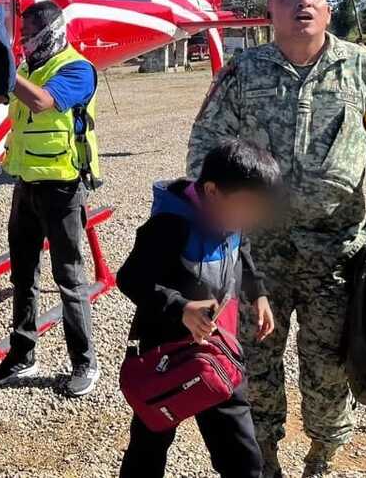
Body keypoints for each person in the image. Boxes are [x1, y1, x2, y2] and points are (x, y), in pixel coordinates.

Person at [186, 0, 366, 478]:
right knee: (256, 363)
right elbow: (205, 143)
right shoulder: (244, 72)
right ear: (270, 10)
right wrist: (218, 205)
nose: (303, 2)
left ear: (328, 6)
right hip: (257, 254)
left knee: (330, 366)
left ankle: (321, 461)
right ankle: (263, 459)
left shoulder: (364, 67)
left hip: (338, 252)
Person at [117, 138, 281, 478]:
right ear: (212, 192)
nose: (249, 219)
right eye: (246, 207)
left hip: (218, 352)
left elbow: (242, 251)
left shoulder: (231, 219)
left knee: (240, 452)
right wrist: (181, 308)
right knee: (150, 442)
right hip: (166, 355)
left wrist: (259, 293)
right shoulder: (169, 225)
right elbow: (130, 278)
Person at [0, 0, 102, 397]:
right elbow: (4, 100)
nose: (24, 41)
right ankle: (22, 354)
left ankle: (85, 362)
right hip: (26, 188)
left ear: (50, 32)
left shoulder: (77, 69)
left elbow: (41, 101)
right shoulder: (26, 70)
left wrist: (5, 72)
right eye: (22, 34)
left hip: (63, 189)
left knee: (68, 277)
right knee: (23, 276)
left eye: (30, 34)